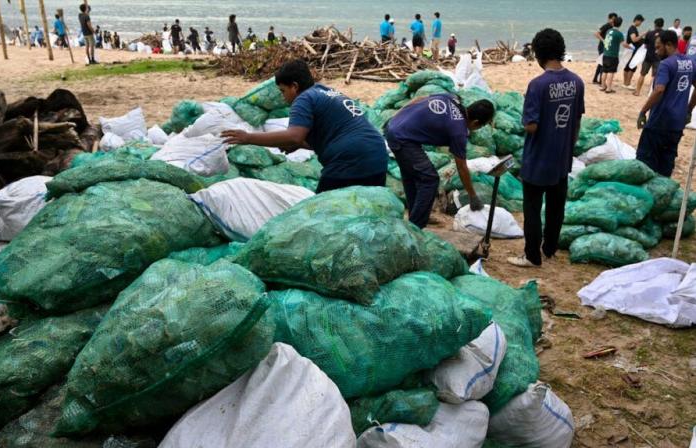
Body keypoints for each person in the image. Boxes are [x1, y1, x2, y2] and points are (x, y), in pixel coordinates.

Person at [221, 59, 389, 193]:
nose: (283, 97)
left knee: (323, 213)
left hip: (350, 160)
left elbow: (294, 135)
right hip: (377, 155)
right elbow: (328, 136)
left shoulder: (303, 99)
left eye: (283, 91)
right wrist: (298, 144)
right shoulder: (323, 91)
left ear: (294, 86)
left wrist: (248, 137)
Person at [507, 28, 584, 268]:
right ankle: (550, 248)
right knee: (555, 207)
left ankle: (532, 256)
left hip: (537, 159)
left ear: (538, 54)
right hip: (561, 158)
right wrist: (568, 147)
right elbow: (577, 120)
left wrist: (525, 118)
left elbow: (531, 125)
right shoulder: (576, 82)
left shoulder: (538, 85)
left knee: (532, 209)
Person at [385, 96, 494, 229]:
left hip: (395, 126)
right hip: (402, 139)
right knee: (430, 179)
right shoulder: (459, 131)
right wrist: (472, 196)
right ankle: (415, 228)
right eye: (481, 126)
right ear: (476, 123)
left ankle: (415, 216)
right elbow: (462, 167)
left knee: (411, 175)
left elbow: (418, 99)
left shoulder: (451, 98)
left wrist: (397, 116)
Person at [636, 30, 696, 177]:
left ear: (669, 45)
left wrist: (643, 111)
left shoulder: (666, 64)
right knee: (666, 165)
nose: (656, 51)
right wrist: (688, 110)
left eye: (658, 47)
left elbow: (659, 90)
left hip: (659, 122)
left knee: (645, 164)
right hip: (676, 124)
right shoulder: (690, 63)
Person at [635, 18, 664, 96]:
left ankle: (637, 91)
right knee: (654, 76)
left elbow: (645, 45)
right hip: (658, 57)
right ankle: (650, 92)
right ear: (662, 25)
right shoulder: (664, 34)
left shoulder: (649, 33)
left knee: (642, 74)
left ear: (655, 24)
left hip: (648, 57)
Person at [601, 16, 630, 93]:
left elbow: (606, 41)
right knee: (611, 72)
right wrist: (630, 47)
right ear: (620, 24)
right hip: (613, 55)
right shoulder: (619, 34)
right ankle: (608, 88)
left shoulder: (608, 31)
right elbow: (623, 44)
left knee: (604, 71)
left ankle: (603, 86)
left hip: (605, 53)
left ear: (613, 23)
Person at [592, 12, 617, 84]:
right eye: (612, 19)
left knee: (601, 63)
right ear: (609, 19)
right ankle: (599, 80)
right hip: (602, 46)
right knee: (603, 62)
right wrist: (603, 41)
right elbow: (596, 33)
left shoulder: (612, 27)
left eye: (614, 19)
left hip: (606, 46)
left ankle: (596, 79)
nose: (613, 21)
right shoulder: (606, 26)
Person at [622, 15, 645, 88]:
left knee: (628, 66)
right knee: (632, 66)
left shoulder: (632, 28)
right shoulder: (632, 28)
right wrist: (643, 34)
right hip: (633, 49)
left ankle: (625, 83)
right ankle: (627, 83)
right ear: (637, 20)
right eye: (640, 22)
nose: (640, 24)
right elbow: (634, 39)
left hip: (631, 49)